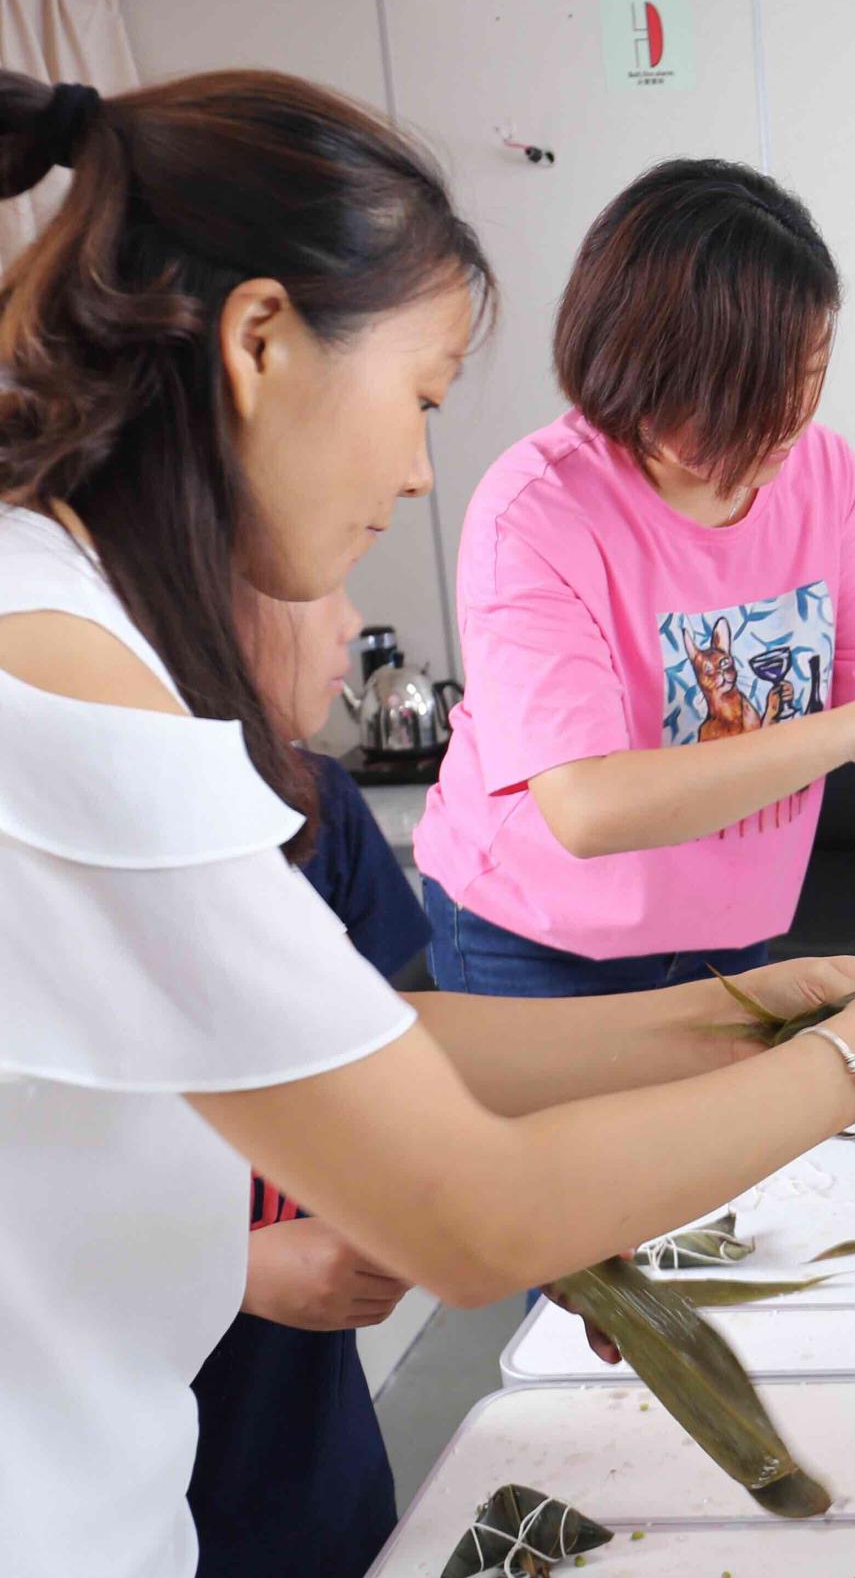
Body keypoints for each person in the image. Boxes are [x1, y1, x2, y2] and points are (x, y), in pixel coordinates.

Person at [0, 70, 855, 1578]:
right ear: (257, 343)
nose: (422, 465)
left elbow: (388, 1036)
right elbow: (474, 1215)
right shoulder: (66, 684)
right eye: (423, 395)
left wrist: (763, 1008)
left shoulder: (54, 619)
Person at [416, 160, 855, 995]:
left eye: (806, 375)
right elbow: (587, 807)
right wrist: (850, 731)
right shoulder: (536, 511)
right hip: (536, 937)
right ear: (636, 368)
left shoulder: (820, 472)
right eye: (744, 391)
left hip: (731, 929)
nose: (785, 420)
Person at [187, 584, 420, 1578]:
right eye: (302, 586)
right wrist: (229, 1272)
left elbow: (406, 1082)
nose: (348, 623)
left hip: (317, 1460)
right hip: (153, 1504)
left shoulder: (320, 811)